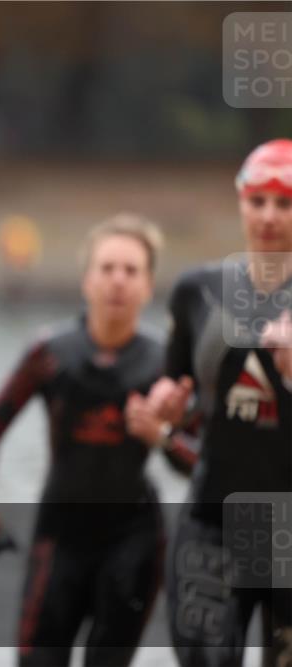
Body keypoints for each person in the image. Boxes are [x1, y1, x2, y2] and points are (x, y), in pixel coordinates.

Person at [0, 214, 197, 667]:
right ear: (87, 279)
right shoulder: (49, 353)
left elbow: (195, 463)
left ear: (149, 286)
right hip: (59, 537)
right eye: (107, 268)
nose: (117, 281)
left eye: (131, 271)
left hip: (133, 542)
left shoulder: (164, 365)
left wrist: (161, 435)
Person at [149, 138, 292, 667]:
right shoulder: (198, 292)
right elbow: (178, 416)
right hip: (213, 523)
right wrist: (166, 411)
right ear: (241, 203)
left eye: (285, 203)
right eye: (258, 202)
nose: (270, 217)